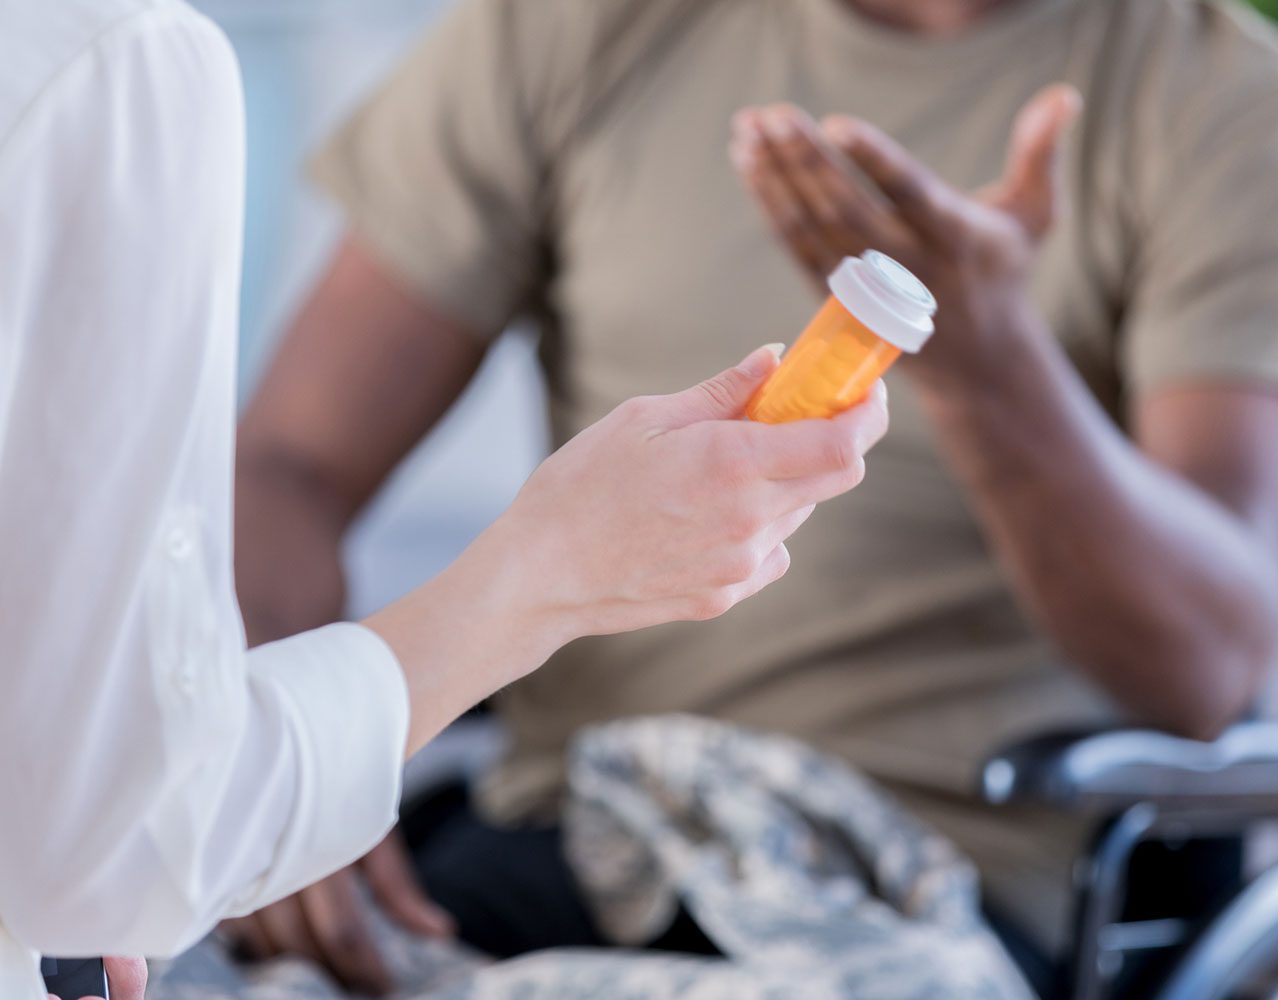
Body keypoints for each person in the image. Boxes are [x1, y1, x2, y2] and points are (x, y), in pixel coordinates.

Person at [227, 0, 1278, 991]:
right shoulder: (575, 30)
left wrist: (993, 369)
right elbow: (286, 462)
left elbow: (1203, 664)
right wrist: (296, 759)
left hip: (923, 894)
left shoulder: (1246, 121)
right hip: (565, 832)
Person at [0, 0, 888, 996]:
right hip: (541, 823)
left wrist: (251, 773)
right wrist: (552, 572)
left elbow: (98, 816)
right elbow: (122, 839)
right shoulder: (119, 69)